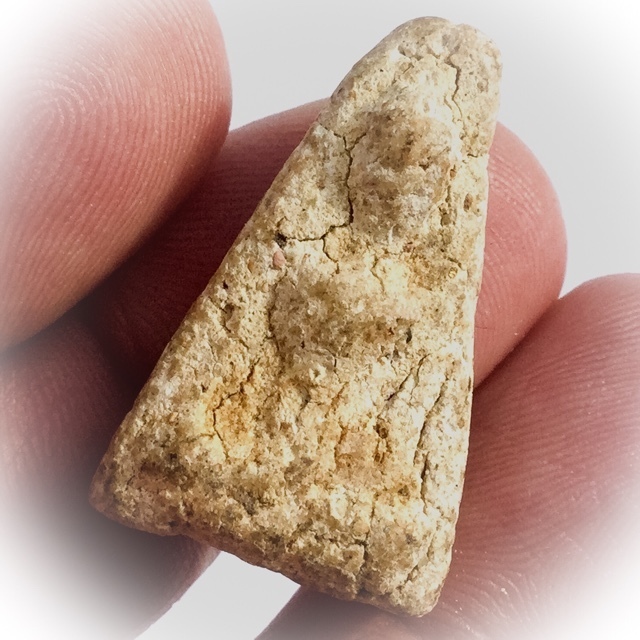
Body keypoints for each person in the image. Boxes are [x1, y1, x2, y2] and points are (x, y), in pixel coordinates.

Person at [1, 1, 638, 638]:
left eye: (426, 165)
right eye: (393, 154)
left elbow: (415, 403)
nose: (404, 176)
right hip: (236, 431)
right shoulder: (312, 246)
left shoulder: (423, 275)